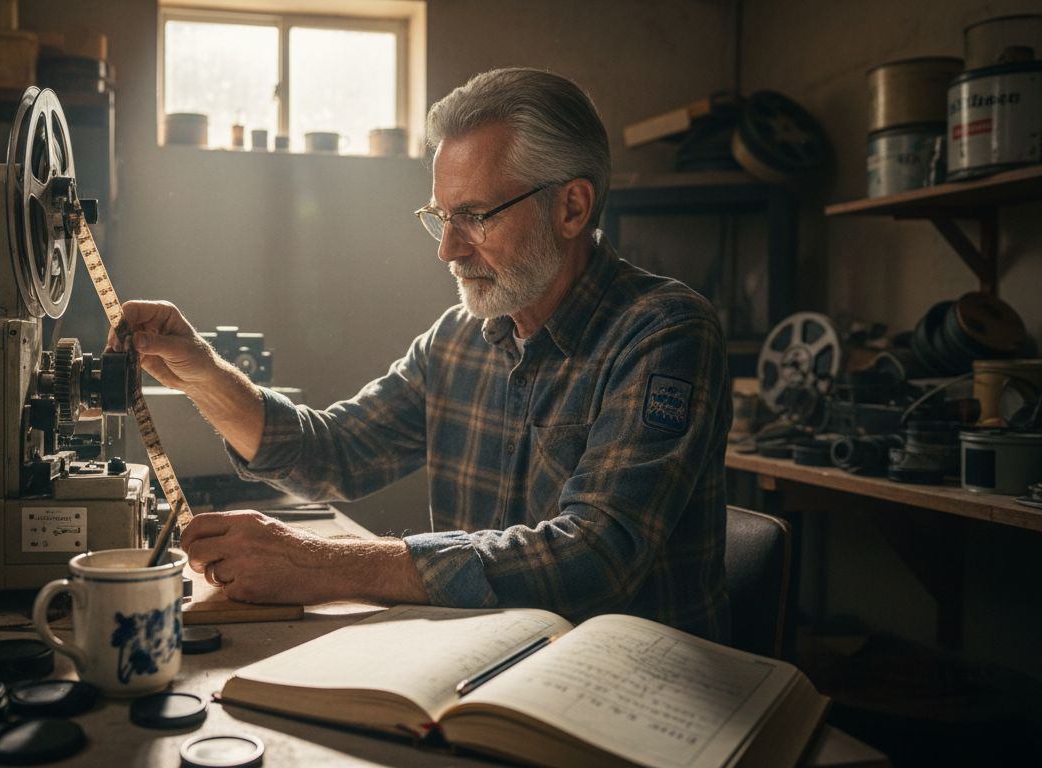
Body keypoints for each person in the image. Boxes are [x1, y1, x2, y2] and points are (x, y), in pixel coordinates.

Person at [113, 68, 730, 640]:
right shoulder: (460, 337)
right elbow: (336, 454)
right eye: (441, 217)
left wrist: (326, 563)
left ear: (572, 207)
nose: (449, 250)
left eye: (475, 216)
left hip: (627, 693)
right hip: (480, 664)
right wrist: (201, 374)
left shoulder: (664, 332)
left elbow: (594, 556)